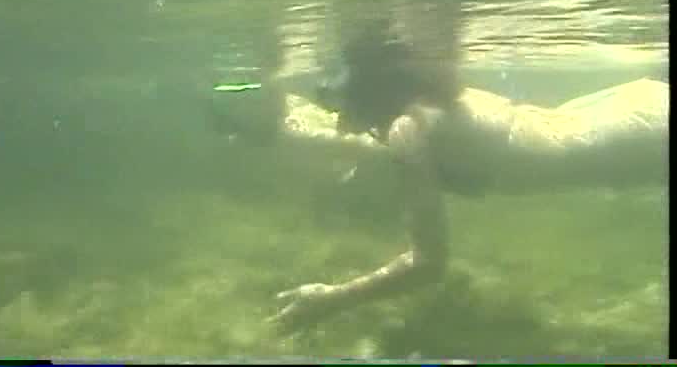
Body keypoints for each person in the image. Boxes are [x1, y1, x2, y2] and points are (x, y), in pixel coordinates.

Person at [267, 36, 669, 331]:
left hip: (643, 138)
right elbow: (379, 148)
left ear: (367, 90)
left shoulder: (409, 130)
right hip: (632, 109)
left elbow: (429, 264)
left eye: (336, 102)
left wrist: (331, 300)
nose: (337, 119)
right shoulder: (428, 106)